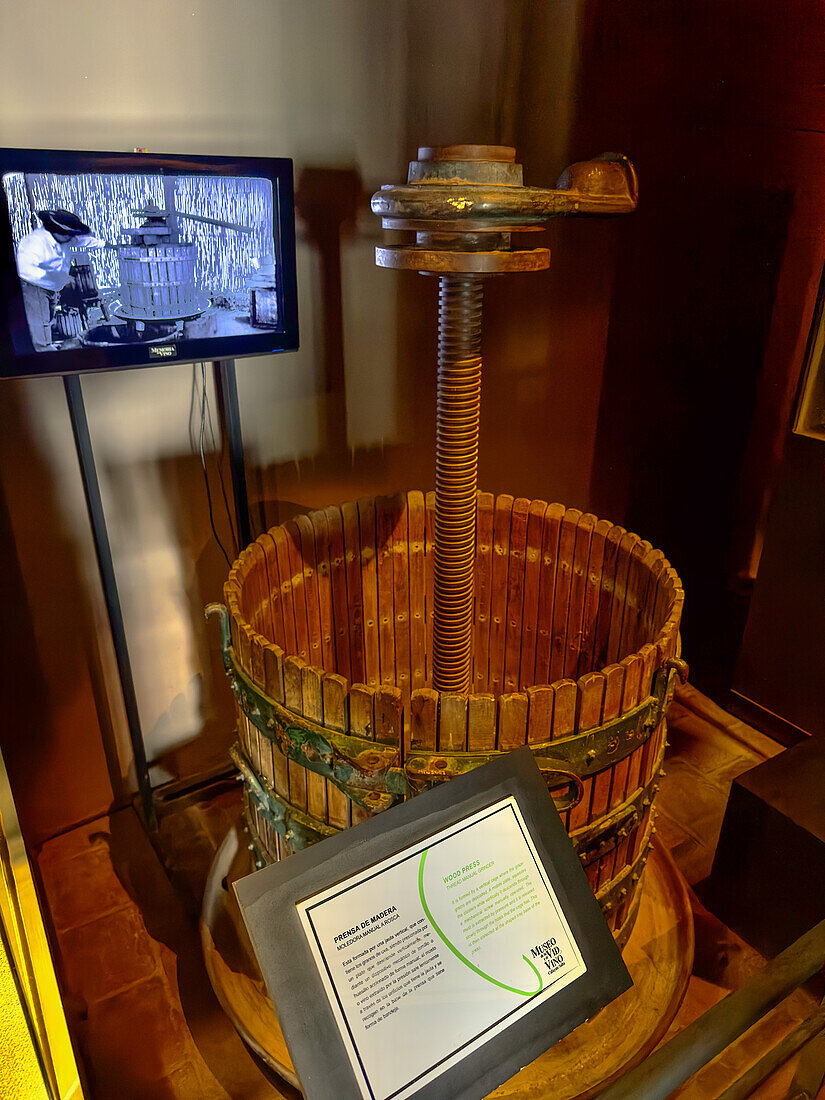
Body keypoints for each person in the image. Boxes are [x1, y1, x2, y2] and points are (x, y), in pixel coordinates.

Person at [15, 209, 102, 351]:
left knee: (48, 318)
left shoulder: (64, 238)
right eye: (69, 235)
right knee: (39, 321)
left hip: (52, 287)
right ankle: (43, 351)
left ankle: (47, 343)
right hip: (34, 286)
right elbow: (24, 269)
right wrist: (55, 276)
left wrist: (106, 245)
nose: (71, 239)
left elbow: (83, 241)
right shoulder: (35, 242)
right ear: (57, 232)